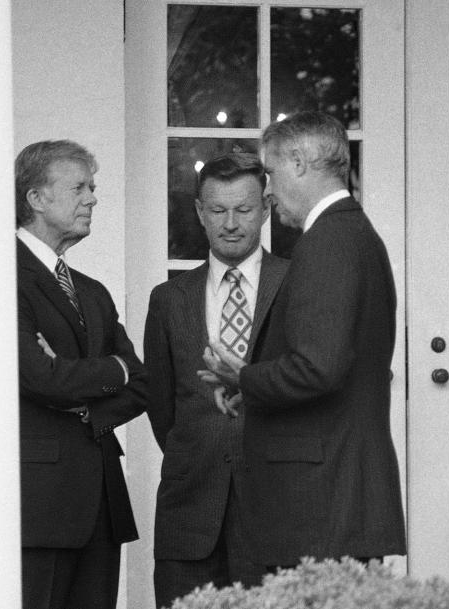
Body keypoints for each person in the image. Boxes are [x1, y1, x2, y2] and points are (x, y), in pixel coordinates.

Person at [199, 112, 407, 569]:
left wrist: (245, 378)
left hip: (322, 498)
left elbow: (319, 367)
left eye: (269, 173)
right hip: (337, 493)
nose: (268, 190)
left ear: (298, 162)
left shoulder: (328, 240)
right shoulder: (353, 233)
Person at [144, 152, 289, 608]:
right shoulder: (168, 299)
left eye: (244, 210)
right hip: (189, 508)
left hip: (276, 504)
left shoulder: (297, 284)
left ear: (265, 209)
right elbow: (162, 404)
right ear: (199, 213)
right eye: (218, 210)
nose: (231, 223)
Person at [15, 139, 147, 609]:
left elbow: (141, 381)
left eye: (92, 187)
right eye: (79, 187)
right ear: (36, 198)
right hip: (41, 507)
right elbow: (37, 377)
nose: (92, 198)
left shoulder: (92, 291)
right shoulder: (1, 275)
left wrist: (86, 396)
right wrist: (112, 371)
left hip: (101, 506)